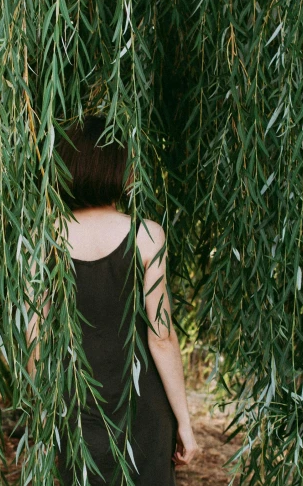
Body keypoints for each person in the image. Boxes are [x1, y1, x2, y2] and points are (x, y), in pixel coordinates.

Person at [25, 114, 198, 485]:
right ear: (118, 169)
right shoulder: (147, 236)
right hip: (142, 408)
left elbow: (35, 335)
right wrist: (184, 421)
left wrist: (42, 416)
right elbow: (161, 337)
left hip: (75, 406)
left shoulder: (43, 240)